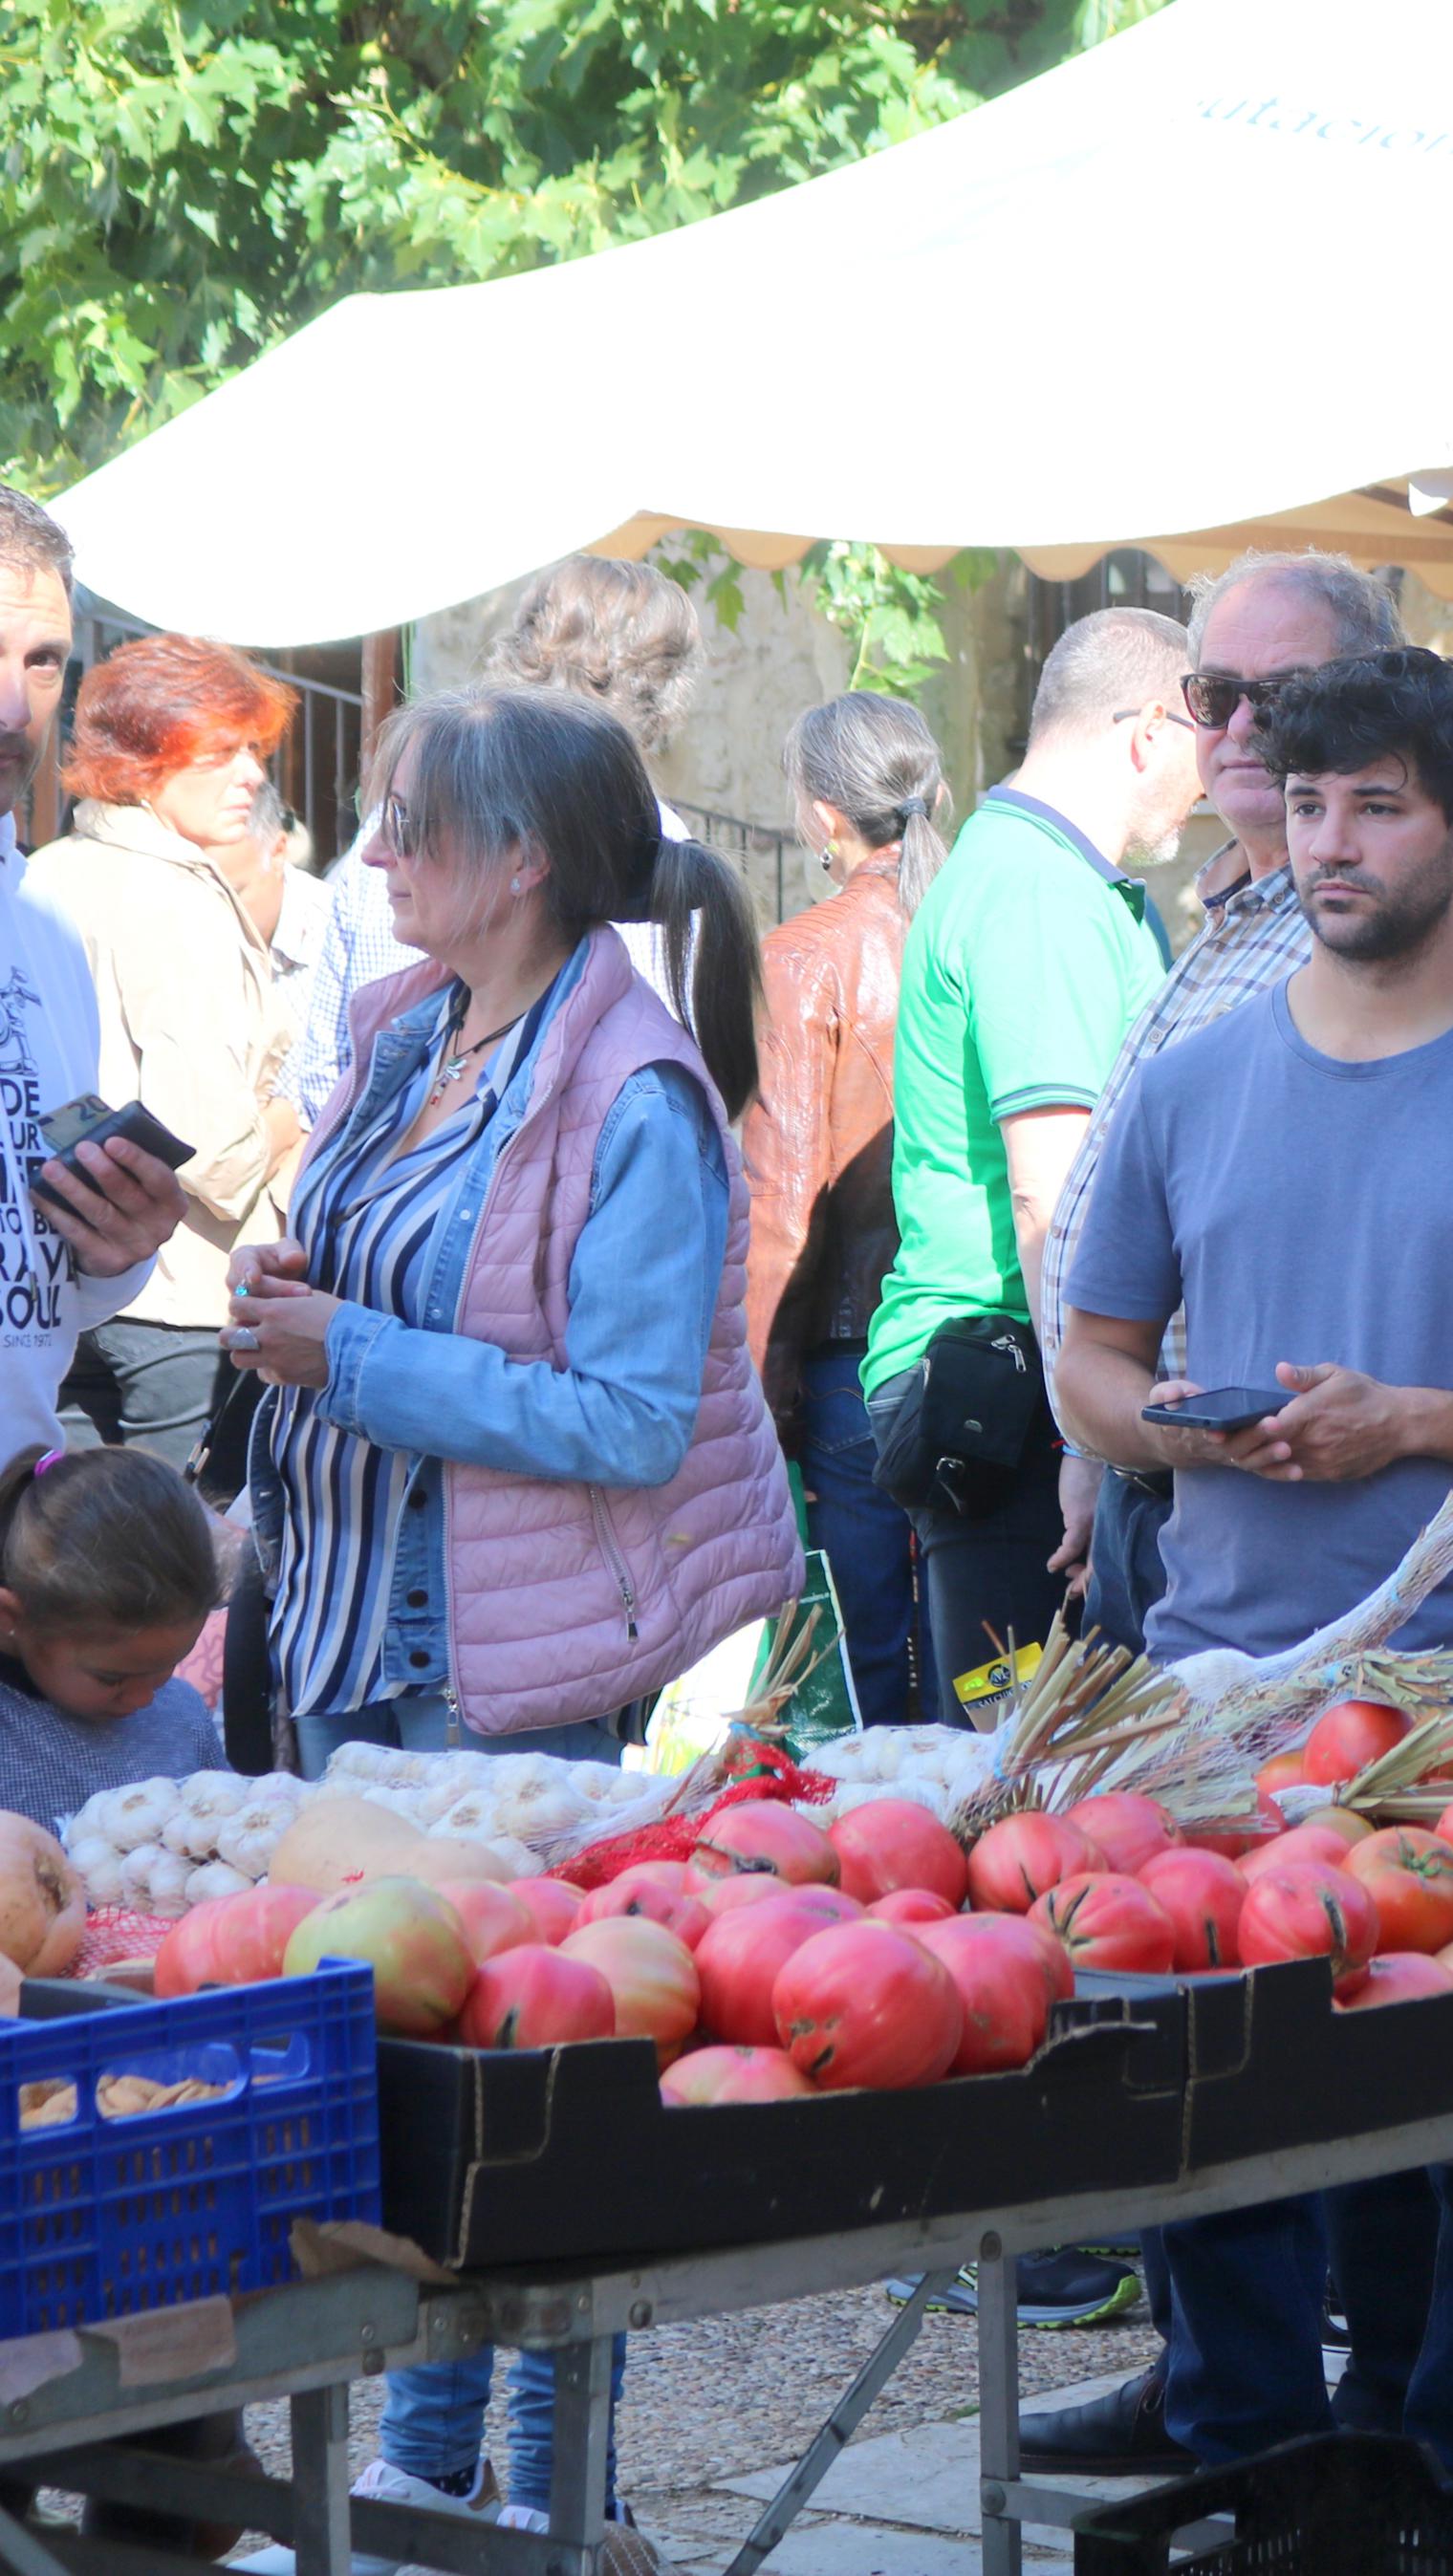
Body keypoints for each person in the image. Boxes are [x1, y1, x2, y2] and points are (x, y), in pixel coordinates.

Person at [1042, 645, 1453, 2492]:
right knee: (1206, 2108)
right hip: (1220, 1677)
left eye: (1376, 806)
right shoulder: (1189, 1089)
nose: (1328, 841)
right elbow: (1091, 1358)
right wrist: (1175, 1432)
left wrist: (1408, 1419)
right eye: (1307, 802)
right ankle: (1249, 2461)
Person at [229, 684, 794, 2544]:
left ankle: (562, 2505)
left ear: (523, 860)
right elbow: (366, 1266)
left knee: (535, 2106)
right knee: (397, 2093)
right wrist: (281, 1273)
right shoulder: (408, 1032)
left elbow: (630, 1423)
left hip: (509, 1674)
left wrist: (359, 1351)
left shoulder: (634, 1094)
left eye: (407, 823)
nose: (372, 852)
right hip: (351, 1649)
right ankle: (425, 2460)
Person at [1040, 554, 1453, 1662]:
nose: (1244, 728)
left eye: (1283, 697)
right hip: (1180, 1505)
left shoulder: (1442, 919)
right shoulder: (1232, 914)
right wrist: (1097, 1449)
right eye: (1216, 697)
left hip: (1349, 1551)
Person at [865, 608, 1193, 1726]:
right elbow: (1048, 1190)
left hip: (1009, 1389)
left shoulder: (1026, 868)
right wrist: (1084, 1433)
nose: (1212, 778)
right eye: (1205, 732)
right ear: (1148, 731)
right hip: (1010, 1407)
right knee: (1029, 1795)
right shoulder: (1042, 891)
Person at [29, 636, 326, 1469]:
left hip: (56, 1292)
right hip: (179, 1301)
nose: (254, 777)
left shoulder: (45, 872)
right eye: (223, 751)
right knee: (182, 1579)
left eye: (253, 750)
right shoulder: (174, 893)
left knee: (72, 1575)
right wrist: (291, 1112)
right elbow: (213, 1152)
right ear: (146, 760)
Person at [292, 557, 708, 1121]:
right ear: (662, 691)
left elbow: (319, 1085)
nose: (380, 856)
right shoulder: (654, 843)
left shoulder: (403, 817)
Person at [0, 492, 222, 1479]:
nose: (14, 707)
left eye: (42, 661)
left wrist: (118, 1243)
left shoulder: (41, 924)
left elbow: (60, 1287)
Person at [744, 693, 936, 1730]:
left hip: (850, 1358)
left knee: (859, 1659)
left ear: (823, 816)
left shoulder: (808, 953)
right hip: (978, 1335)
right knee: (971, 1642)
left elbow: (782, 1201)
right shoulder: (963, 921)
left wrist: (758, 1378)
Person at [0, 1443, 224, 1822]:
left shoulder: (181, 1716)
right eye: (112, 1678)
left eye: (167, 1667)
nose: (143, 1699)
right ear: (10, 1620)